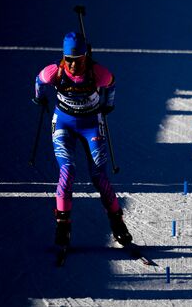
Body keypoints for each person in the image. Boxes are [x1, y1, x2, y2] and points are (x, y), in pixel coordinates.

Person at [32, 31, 132, 248]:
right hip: (64, 124)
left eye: (78, 60)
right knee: (67, 171)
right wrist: (39, 99)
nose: (74, 65)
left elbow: (112, 83)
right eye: (69, 60)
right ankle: (63, 227)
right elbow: (39, 81)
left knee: (99, 176)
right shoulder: (55, 72)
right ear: (63, 57)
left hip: (91, 124)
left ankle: (117, 223)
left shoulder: (97, 72)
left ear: (86, 56)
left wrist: (109, 104)